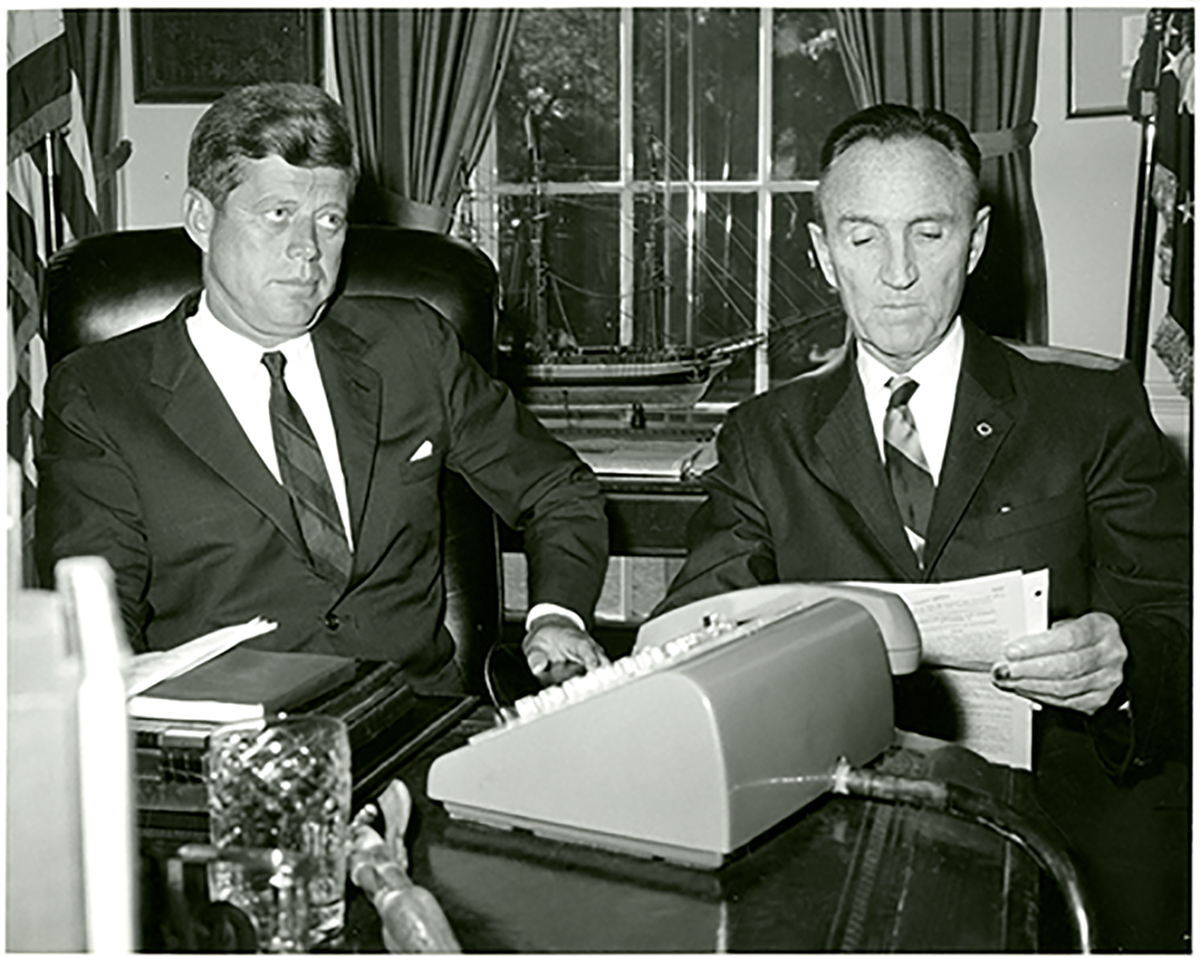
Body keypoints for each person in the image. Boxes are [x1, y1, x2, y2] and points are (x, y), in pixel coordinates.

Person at [653, 104, 1190, 951]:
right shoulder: (763, 437)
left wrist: (1120, 670)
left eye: (928, 234)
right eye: (863, 239)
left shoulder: (1091, 410)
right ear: (824, 254)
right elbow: (688, 645)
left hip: (1065, 837)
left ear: (974, 244)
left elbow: (1179, 630)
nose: (896, 273)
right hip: (836, 831)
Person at [36, 82, 611, 691]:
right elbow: (95, 619)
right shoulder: (101, 396)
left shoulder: (412, 347)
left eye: (329, 220)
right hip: (231, 742)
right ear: (201, 219)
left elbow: (556, 487)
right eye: (277, 214)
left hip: (414, 728)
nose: (308, 250)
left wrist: (556, 616)